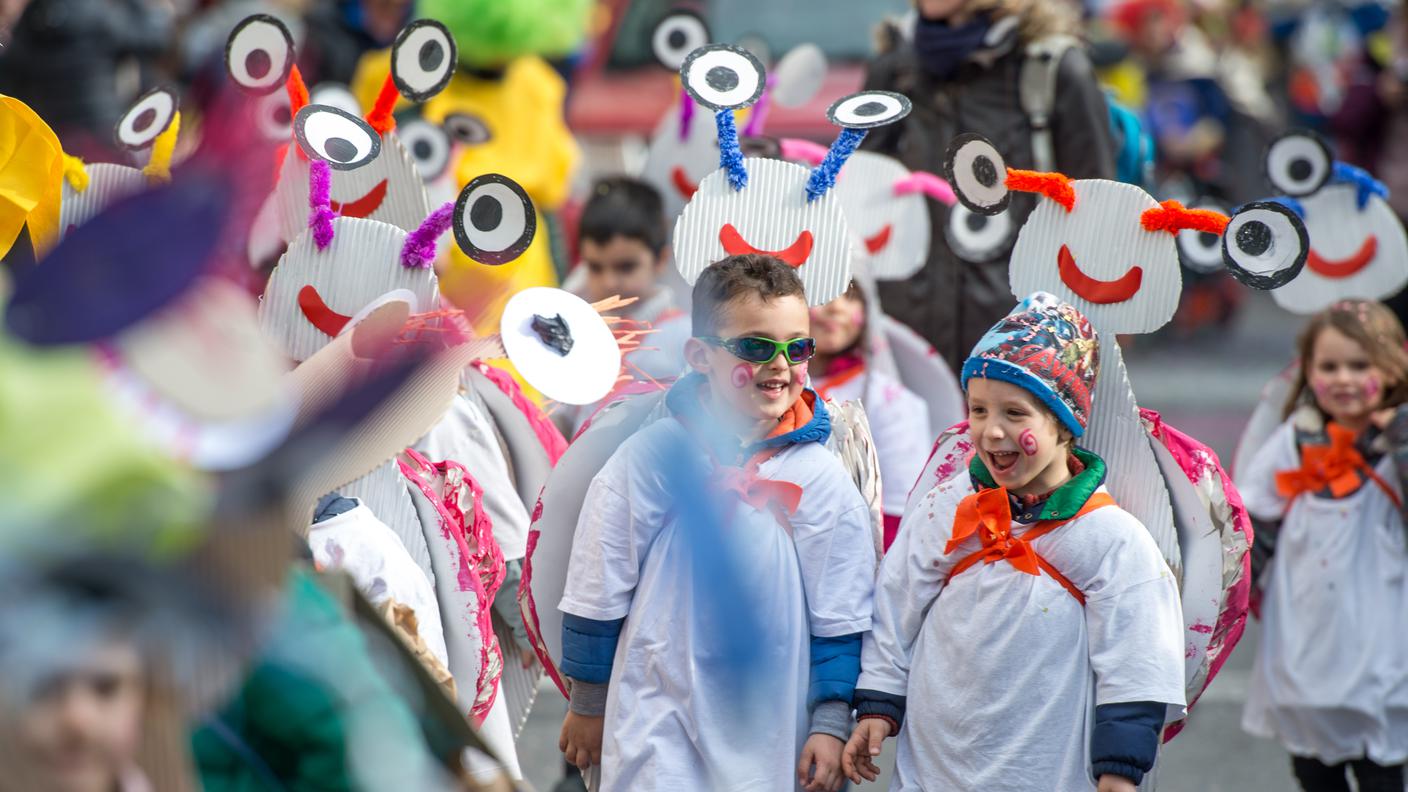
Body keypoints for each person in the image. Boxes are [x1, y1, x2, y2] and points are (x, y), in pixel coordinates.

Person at [556, 254, 877, 791]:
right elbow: (598, 582)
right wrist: (588, 703)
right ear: (700, 356)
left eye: (797, 347)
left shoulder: (820, 479)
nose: (780, 364)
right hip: (656, 710)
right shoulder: (655, 456)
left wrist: (829, 723)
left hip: (770, 726)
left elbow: (841, 615)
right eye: (755, 346)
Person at [844, 293, 1185, 791]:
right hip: (933, 770)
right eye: (979, 410)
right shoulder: (948, 507)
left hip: (1042, 773)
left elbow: (1137, 658)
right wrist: (878, 700)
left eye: (1016, 413)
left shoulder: (1111, 538)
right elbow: (896, 603)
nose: (992, 430)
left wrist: (1119, 770)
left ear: (1064, 425)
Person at [860, 0, 1116, 370]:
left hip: (1022, 336)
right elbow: (858, 191)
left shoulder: (1051, 68)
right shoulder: (894, 65)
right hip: (908, 339)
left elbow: (1101, 212)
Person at [1237, 300, 1408, 792]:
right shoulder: (1297, 437)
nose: (1344, 379)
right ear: (1308, 371)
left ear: (1391, 366)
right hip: (1308, 626)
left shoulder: (1398, 440)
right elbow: (1254, 515)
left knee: (1381, 768)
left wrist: (1400, 437)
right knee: (1313, 766)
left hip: (1380, 624)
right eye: (1329, 366)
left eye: (1360, 365)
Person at [560, 176, 690, 435]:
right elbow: (559, 418)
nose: (609, 282)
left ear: (661, 258)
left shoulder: (685, 338)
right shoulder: (577, 332)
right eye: (595, 267)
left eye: (626, 267)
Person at [808, 279, 931, 549]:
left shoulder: (893, 402)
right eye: (820, 293)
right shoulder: (765, 386)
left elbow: (900, 509)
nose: (836, 308)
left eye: (851, 297)